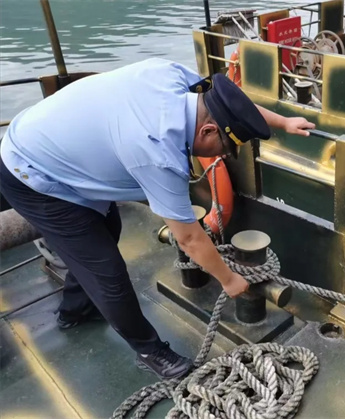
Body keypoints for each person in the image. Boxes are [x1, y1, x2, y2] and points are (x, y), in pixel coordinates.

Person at [0, 58, 315, 379]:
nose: (222, 155)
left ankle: (75, 309)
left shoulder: (170, 75)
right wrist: (230, 280)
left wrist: (282, 122)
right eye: (225, 147)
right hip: (32, 172)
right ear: (207, 131)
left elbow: (233, 106)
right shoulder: (158, 152)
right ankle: (150, 351)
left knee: (109, 229)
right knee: (106, 270)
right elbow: (189, 238)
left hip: (53, 144)